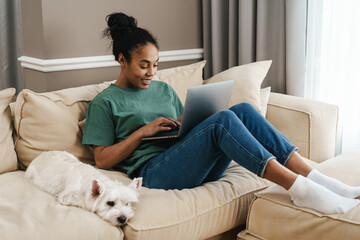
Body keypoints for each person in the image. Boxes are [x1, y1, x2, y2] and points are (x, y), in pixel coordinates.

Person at [83, 12, 360, 215]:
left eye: (155, 65)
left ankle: (316, 178)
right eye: (144, 66)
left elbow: (186, 130)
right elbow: (102, 159)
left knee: (242, 110)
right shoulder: (105, 103)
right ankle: (300, 190)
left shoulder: (163, 90)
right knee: (224, 121)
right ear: (122, 60)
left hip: (189, 162)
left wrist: (185, 123)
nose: (152, 73)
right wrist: (144, 131)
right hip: (154, 172)